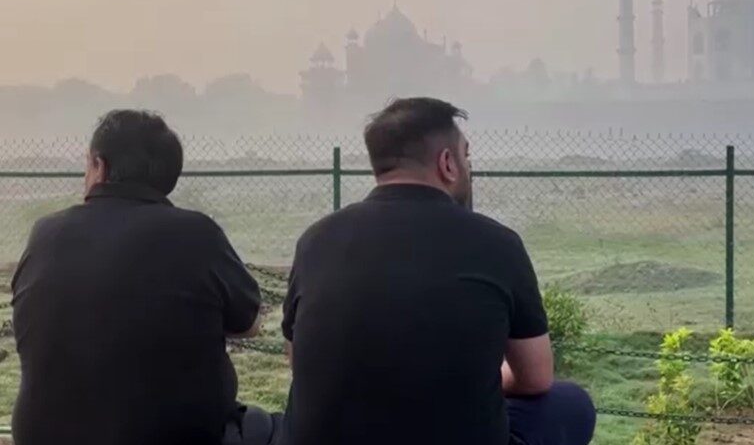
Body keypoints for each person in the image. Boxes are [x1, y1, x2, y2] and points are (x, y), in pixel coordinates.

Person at [279, 97, 596, 445]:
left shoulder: (315, 239)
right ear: (448, 163)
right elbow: (535, 377)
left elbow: (301, 362)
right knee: (571, 405)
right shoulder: (496, 243)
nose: (468, 166)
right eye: (466, 155)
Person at [10, 110, 278, 445]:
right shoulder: (196, 232)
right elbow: (249, 324)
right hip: (176, 436)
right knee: (271, 428)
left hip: (43, 436)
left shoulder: (45, 233)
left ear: (99, 166)